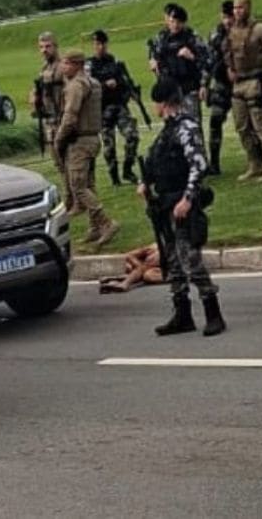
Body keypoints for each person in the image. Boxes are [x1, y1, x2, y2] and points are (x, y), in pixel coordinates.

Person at [139, 76, 223, 336]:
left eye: (156, 103)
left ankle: (213, 312)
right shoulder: (168, 130)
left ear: (163, 103)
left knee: (190, 259)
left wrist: (187, 199)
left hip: (181, 205)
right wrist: (146, 182)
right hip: (166, 205)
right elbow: (158, 162)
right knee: (173, 262)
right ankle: (182, 314)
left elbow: (198, 165)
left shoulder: (185, 127)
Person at [54, 50, 119, 247]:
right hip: (93, 138)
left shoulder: (76, 86)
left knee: (78, 186)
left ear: (77, 65)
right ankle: (94, 227)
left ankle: (106, 223)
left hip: (79, 141)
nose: (63, 67)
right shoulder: (94, 83)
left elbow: (70, 116)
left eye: (66, 63)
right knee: (89, 185)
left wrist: (59, 138)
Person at [226, 0, 262, 182]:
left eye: (241, 7)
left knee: (260, 126)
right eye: (235, 8)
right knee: (241, 126)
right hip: (238, 83)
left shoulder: (260, 29)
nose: (237, 11)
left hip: (256, 81)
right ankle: (255, 163)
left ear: (248, 8)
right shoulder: (231, 30)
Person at [87, 29, 140, 186]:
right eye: (97, 44)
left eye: (102, 44)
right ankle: (114, 176)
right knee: (109, 147)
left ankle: (128, 169)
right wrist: (104, 85)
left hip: (119, 106)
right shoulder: (89, 66)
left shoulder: (115, 62)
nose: (100, 47)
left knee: (132, 136)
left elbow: (126, 80)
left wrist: (130, 92)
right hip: (102, 110)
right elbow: (88, 87)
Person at [30, 31, 76, 211]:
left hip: (62, 119)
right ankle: (70, 197)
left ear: (55, 46)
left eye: (48, 46)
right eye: (41, 47)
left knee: (69, 163)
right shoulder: (43, 70)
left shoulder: (62, 68)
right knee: (59, 163)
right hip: (49, 121)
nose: (44, 50)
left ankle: (73, 198)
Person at [148, 3, 210, 121]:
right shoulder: (161, 38)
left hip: (188, 88)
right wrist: (153, 62)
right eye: (173, 21)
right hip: (169, 90)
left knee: (192, 123)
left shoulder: (192, 38)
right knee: (172, 125)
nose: (175, 25)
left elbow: (207, 61)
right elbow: (153, 55)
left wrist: (192, 57)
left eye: (179, 22)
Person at [204, 0, 239, 176]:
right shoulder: (215, 35)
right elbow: (208, 61)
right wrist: (204, 84)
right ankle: (214, 163)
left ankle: (259, 159)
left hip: (240, 82)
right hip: (221, 84)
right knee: (215, 122)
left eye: (230, 17)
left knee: (247, 123)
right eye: (225, 17)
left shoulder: (242, 32)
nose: (227, 21)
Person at [99, 243, 163, 294]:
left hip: (167, 273)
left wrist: (141, 268)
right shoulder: (152, 248)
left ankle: (123, 282)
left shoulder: (164, 251)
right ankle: (120, 280)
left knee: (148, 275)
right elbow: (129, 255)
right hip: (149, 270)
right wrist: (138, 266)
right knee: (146, 274)